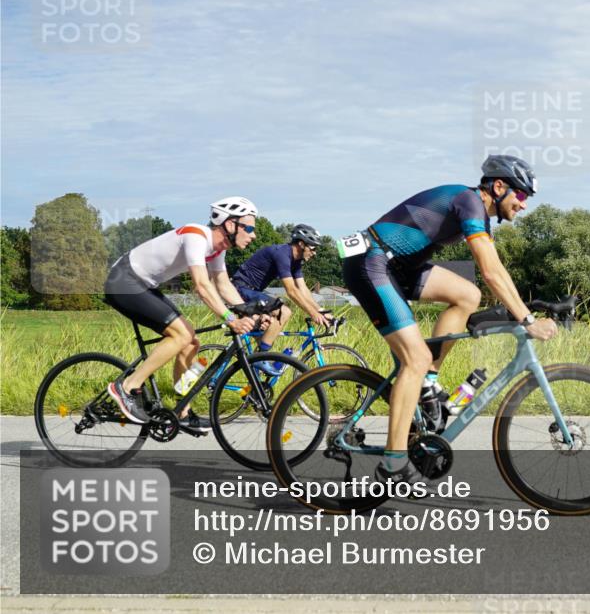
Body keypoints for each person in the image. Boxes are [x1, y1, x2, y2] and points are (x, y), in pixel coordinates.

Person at [341, 155, 558, 485]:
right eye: (521, 195)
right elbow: (491, 271)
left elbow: (495, 270)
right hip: (371, 262)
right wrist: (527, 319)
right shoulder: (468, 202)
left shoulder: (475, 210)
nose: (523, 204)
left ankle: (427, 381)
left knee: (468, 295)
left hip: (398, 267)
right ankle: (393, 464)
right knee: (415, 359)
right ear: (499, 186)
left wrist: (523, 309)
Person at [103, 197, 262, 433]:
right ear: (230, 224)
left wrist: (252, 311)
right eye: (248, 228)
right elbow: (202, 285)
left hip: (144, 285)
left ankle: (182, 411)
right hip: (124, 281)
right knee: (181, 335)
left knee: (191, 343)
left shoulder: (217, 250)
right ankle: (126, 387)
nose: (253, 235)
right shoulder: (196, 236)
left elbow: (223, 284)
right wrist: (231, 319)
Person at [230, 224, 332, 374]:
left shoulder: (295, 261)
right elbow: (291, 291)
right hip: (241, 289)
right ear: (301, 244)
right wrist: (312, 313)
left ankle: (256, 375)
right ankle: (260, 360)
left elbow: (302, 289)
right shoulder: (282, 254)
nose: (315, 252)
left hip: (252, 292)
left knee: (265, 328)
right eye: (313, 248)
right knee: (284, 312)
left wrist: (320, 310)